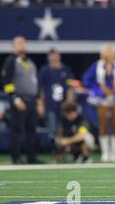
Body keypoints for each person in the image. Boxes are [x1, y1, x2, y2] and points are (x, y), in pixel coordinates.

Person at [82, 44, 115, 162]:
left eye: (111, 50)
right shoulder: (97, 65)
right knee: (103, 124)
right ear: (103, 53)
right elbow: (86, 79)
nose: (109, 53)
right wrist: (98, 90)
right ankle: (106, 152)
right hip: (102, 98)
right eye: (107, 51)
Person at [1, 36, 39, 164]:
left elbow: (34, 82)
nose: (22, 45)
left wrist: (38, 99)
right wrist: (15, 98)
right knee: (17, 130)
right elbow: (6, 82)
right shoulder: (11, 61)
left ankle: (31, 158)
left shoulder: (30, 62)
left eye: (23, 43)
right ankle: (16, 157)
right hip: (19, 99)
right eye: (18, 43)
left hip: (31, 100)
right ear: (13, 46)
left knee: (31, 130)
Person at [38, 48, 75, 140]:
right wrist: (41, 104)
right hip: (50, 104)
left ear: (59, 56)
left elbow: (70, 87)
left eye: (56, 55)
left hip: (63, 104)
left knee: (64, 127)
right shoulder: (44, 70)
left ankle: (64, 147)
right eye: (52, 55)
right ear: (48, 57)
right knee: (52, 127)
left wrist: (70, 103)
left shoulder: (66, 69)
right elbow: (40, 89)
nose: (54, 57)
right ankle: (54, 148)